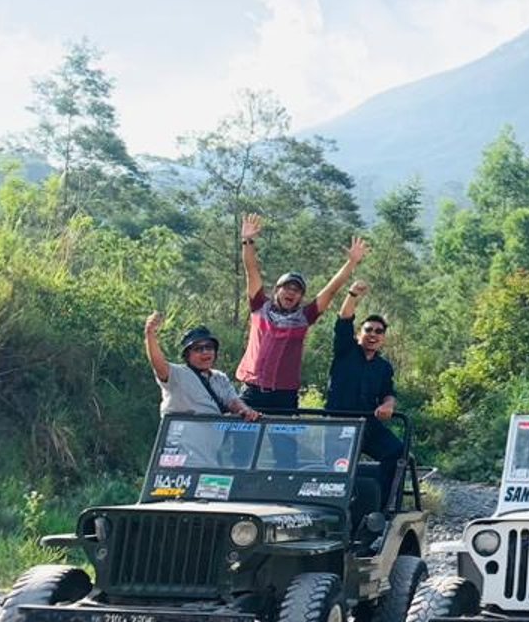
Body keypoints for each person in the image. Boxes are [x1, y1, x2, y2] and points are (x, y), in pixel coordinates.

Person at [233, 212, 367, 411]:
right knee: (236, 440)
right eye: (287, 287)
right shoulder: (260, 306)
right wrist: (248, 240)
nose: (291, 292)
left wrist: (351, 263)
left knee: (285, 443)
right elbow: (251, 270)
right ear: (276, 290)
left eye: (297, 290)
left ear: (301, 296)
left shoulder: (305, 316)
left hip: (284, 395)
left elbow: (330, 290)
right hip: (252, 390)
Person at [323, 281, 403, 529]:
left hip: (368, 424)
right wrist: (353, 295)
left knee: (397, 451)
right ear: (360, 332)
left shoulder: (384, 366)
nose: (373, 334)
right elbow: (344, 319)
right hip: (339, 424)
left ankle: (380, 509)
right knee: (338, 471)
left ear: (383, 338)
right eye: (368, 329)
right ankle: (335, 515)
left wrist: (388, 405)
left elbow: (388, 393)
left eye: (379, 331)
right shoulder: (345, 351)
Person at [143, 313, 260, 421]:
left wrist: (245, 410)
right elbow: (159, 365)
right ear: (187, 355)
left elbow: (233, 402)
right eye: (198, 349)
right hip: (182, 442)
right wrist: (150, 334)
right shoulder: (178, 374)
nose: (205, 352)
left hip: (213, 442)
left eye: (209, 347)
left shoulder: (220, 378)